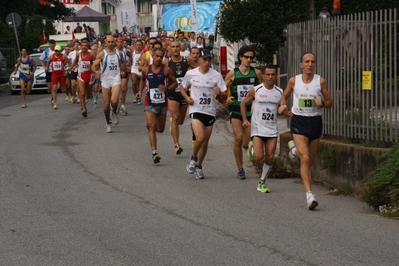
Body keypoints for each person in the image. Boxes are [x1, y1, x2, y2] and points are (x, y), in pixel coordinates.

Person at [278, 52, 333, 210]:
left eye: (312, 62)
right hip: (298, 122)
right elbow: (284, 96)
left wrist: (321, 102)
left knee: (310, 161)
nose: (310, 64)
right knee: (306, 157)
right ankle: (310, 195)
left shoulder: (320, 81)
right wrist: (284, 106)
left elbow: (329, 102)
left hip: (315, 122)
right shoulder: (294, 81)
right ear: (301, 64)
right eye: (307, 62)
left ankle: (293, 149)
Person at [179, 49, 227, 179]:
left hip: (210, 111)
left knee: (205, 142)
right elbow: (182, 87)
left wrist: (220, 92)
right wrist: (187, 98)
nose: (207, 62)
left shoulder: (216, 75)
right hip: (196, 109)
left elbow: (224, 93)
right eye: (204, 59)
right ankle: (193, 157)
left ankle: (199, 166)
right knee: (199, 138)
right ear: (199, 60)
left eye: (209, 60)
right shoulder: (191, 73)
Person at [240, 65, 282, 192]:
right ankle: (252, 148)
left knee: (270, 157)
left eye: (273, 75)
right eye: (268, 74)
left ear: (276, 76)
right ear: (263, 76)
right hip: (258, 128)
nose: (270, 77)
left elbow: (283, 107)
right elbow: (243, 103)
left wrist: (284, 110)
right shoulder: (256, 90)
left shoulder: (279, 92)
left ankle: (262, 182)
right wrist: (245, 119)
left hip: (272, 129)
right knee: (258, 157)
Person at [224, 45, 263, 179]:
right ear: (240, 57)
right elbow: (223, 91)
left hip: (251, 110)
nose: (249, 60)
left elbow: (263, 89)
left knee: (246, 144)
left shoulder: (256, 73)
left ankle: (250, 148)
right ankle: (240, 168)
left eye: (251, 58)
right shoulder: (232, 73)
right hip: (235, 109)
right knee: (238, 138)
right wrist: (227, 98)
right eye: (246, 57)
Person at [136, 48, 178, 164]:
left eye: (161, 56)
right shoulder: (146, 69)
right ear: (152, 57)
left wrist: (167, 88)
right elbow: (143, 80)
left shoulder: (166, 70)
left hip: (162, 102)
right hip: (149, 102)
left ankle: (151, 126)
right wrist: (140, 91)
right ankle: (154, 152)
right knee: (152, 125)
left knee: (160, 129)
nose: (159, 58)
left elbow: (175, 83)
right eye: (157, 56)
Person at [167, 41, 197, 155]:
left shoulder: (186, 60)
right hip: (172, 94)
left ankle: (173, 126)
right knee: (175, 117)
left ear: (180, 48)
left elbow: (197, 70)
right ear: (170, 48)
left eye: (177, 46)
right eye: (173, 47)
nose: (175, 49)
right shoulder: (167, 62)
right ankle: (176, 145)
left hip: (184, 94)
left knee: (180, 121)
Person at [92, 35, 126, 133]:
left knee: (114, 100)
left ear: (114, 42)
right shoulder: (102, 54)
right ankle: (108, 123)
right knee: (106, 105)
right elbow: (94, 66)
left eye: (112, 42)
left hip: (115, 79)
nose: (111, 43)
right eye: (109, 42)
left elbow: (123, 63)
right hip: (105, 80)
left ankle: (114, 112)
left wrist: (123, 70)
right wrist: (96, 72)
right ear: (105, 43)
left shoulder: (119, 53)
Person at [70, 40, 96, 117]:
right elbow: (75, 61)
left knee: (88, 95)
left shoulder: (91, 54)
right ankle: (84, 108)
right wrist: (70, 67)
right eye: (83, 45)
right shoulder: (79, 54)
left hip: (89, 75)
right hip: (81, 75)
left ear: (87, 47)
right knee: (82, 92)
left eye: (85, 45)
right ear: (80, 47)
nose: (84, 47)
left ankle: (89, 96)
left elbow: (97, 62)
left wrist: (92, 67)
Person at [46, 45, 70, 110]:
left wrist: (67, 71)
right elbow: (48, 62)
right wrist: (47, 67)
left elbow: (69, 63)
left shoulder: (63, 56)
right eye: (56, 51)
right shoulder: (52, 56)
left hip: (61, 74)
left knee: (63, 90)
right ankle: (55, 103)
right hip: (54, 74)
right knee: (54, 88)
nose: (57, 52)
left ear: (60, 51)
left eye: (58, 51)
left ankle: (68, 92)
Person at [115, 37, 131, 115]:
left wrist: (129, 66)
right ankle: (116, 104)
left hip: (124, 72)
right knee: (116, 90)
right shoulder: (113, 51)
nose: (120, 43)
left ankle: (123, 106)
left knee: (123, 88)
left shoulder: (126, 51)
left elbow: (131, 57)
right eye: (118, 42)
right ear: (116, 43)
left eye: (121, 42)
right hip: (115, 73)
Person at [39, 39, 56, 104]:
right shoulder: (46, 51)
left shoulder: (57, 51)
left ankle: (53, 98)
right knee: (49, 86)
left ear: (55, 44)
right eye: (51, 43)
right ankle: (51, 93)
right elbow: (40, 60)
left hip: (55, 71)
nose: (52, 45)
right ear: (49, 44)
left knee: (53, 85)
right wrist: (44, 66)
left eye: (53, 43)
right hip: (48, 70)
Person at [130, 39, 144, 104]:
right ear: (135, 46)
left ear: (142, 46)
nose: (138, 46)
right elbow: (130, 60)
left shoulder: (144, 53)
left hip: (141, 70)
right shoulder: (132, 53)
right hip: (134, 69)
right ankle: (135, 95)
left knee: (140, 85)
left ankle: (139, 97)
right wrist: (130, 66)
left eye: (139, 45)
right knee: (134, 83)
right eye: (137, 45)